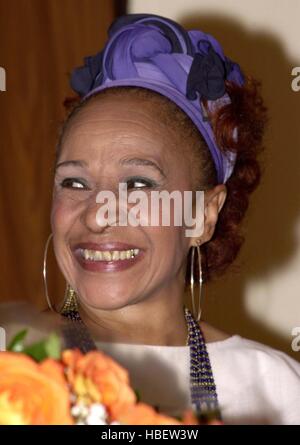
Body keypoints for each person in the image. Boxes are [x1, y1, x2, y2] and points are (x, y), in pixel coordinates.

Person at [42, 13, 300, 424]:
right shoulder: (16, 370)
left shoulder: (276, 389)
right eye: (74, 183)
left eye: (139, 184)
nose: (97, 215)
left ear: (202, 215)